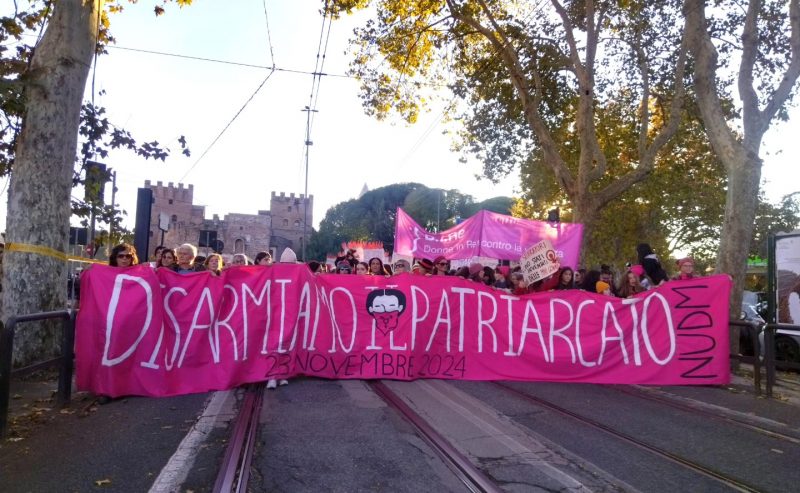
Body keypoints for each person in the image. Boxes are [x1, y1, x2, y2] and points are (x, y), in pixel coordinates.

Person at [268, 248, 298, 390]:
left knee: (287, 343)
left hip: (291, 313)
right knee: (275, 343)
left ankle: (283, 374)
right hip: (275, 312)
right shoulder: (273, 271)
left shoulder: (299, 272)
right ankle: (273, 375)